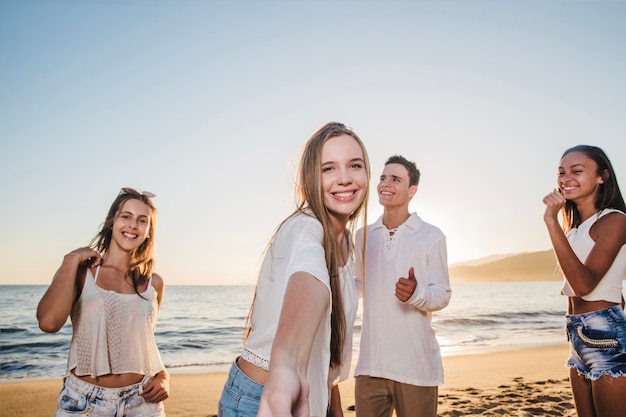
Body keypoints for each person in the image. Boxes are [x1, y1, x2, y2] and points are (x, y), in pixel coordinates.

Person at [217, 122, 370, 417]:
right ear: (310, 177)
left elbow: (328, 343)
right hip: (261, 398)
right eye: (328, 169)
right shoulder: (304, 229)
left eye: (354, 165)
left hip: (312, 396)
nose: (345, 178)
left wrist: (333, 408)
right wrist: (285, 369)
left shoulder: (347, 244)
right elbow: (308, 282)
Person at [37, 187, 169, 417]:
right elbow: (48, 323)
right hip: (84, 403)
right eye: (126, 216)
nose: (132, 225)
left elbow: (142, 344)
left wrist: (163, 375)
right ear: (111, 222)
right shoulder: (80, 272)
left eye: (142, 220)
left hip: (143, 403)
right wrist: (70, 259)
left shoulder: (153, 283)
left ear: (149, 231)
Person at [354, 155, 451, 417]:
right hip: (370, 366)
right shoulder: (362, 236)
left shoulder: (431, 235)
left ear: (412, 191)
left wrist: (416, 293)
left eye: (395, 179)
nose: (386, 183)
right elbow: (357, 287)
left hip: (416, 367)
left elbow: (442, 294)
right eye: (383, 178)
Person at [543, 145, 626, 417]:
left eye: (577, 171)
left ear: (602, 176)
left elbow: (584, 285)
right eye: (561, 172)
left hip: (605, 337)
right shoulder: (576, 228)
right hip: (577, 335)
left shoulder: (615, 220)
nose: (566, 178)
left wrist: (550, 222)